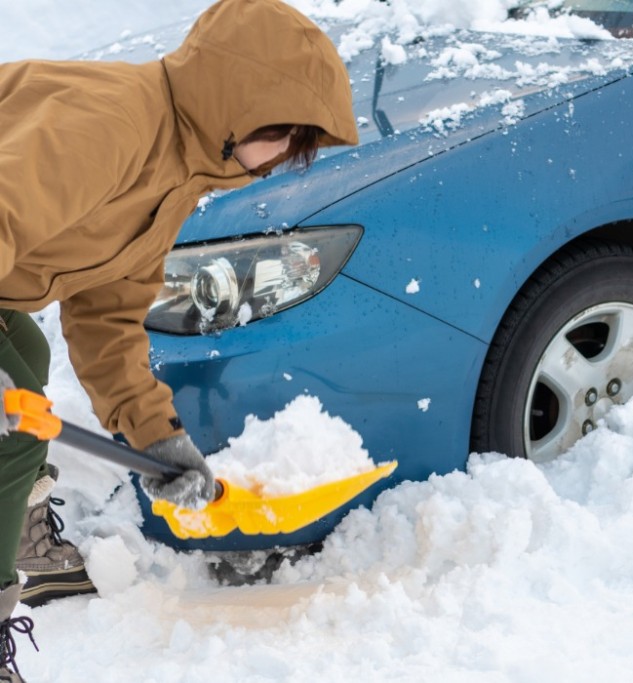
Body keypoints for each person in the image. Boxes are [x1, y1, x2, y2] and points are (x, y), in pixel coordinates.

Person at [0, 0, 358, 678]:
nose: (285, 155)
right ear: (237, 102)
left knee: (23, 366)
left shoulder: (172, 171)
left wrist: (154, 436)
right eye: (283, 132)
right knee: (11, 421)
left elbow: (106, 313)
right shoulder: (113, 125)